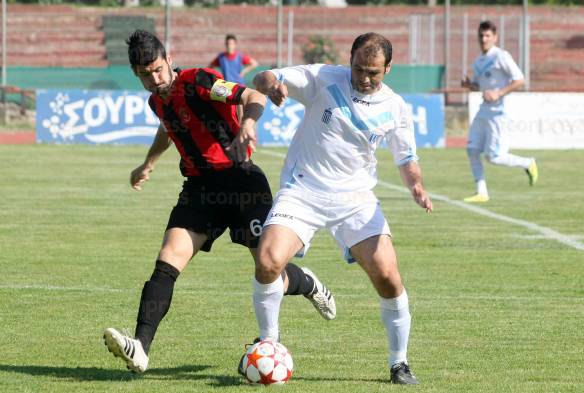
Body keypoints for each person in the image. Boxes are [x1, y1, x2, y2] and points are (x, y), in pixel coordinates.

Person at [103, 30, 335, 374]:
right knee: (167, 261)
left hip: (241, 182)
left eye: (156, 70)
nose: (153, 80)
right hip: (199, 189)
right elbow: (168, 128)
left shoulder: (198, 81)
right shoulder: (157, 100)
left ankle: (308, 283)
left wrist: (248, 125)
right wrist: (148, 163)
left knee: (270, 268)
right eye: (144, 75)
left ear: (168, 60)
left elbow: (251, 95)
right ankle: (140, 348)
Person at [248, 32, 433, 385]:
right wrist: (272, 85)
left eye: (373, 73)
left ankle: (399, 362)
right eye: (358, 69)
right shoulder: (324, 78)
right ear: (349, 60)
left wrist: (417, 185)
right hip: (303, 190)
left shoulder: (395, 107)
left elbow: (406, 157)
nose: (364, 78)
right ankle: (269, 341)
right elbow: (265, 77)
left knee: (388, 276)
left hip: (355, 200)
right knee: (268, 260)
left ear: (388, 69)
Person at [461, 20, 538, 203]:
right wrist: (469, 85)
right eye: (481, 35)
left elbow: (520, 80)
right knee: (472, 150)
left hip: (498, 113)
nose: (484, 39)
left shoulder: (501, 56)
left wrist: (499, 93)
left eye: (487, 35)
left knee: (494, 157)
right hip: (484, 110)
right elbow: (480, 87)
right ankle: (482, 192)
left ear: (495, 37)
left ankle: (528, 163)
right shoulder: (479, 61)